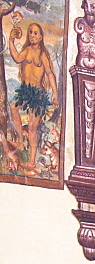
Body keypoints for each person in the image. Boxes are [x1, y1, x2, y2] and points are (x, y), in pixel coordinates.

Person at [8, 21, 58, 174]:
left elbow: (49, 74)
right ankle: (21, 142)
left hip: (38, 94)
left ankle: (31, 162)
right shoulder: (27, 50)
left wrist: (55, 93)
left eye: (35, 33)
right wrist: (11, 40)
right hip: (26, 91)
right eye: (30, 32)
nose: (32, 35)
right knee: (13, 107)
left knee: (32, 128)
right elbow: (16, 58)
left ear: (41, 37)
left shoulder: (42, 54)